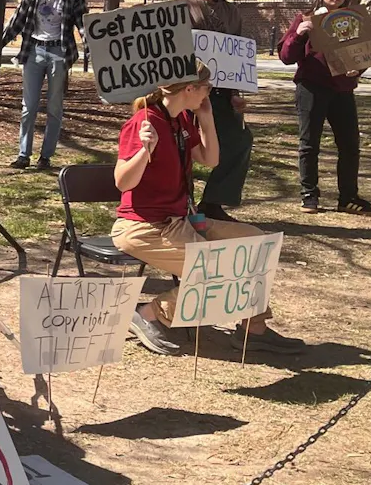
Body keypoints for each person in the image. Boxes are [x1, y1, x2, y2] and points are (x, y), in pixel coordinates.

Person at [110, 62, 305, 356]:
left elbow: (210, 160)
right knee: (220, 270)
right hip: (144, 227)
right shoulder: (144, 122)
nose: (210, 92)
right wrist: (144, 151)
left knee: (255, 243)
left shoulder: (181, 118)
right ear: (190, 89)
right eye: (208, 87)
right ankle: (149, 313)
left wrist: (207, 118)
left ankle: (254, 328)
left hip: (181, 220)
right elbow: (123, 182)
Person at [279, 0, 371, 215]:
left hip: (342, 89)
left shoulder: (352, 22)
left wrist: (358, 68)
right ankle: (309, 195)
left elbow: (364, 53)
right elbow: (286, 56)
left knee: (350, 144)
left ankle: (348, 198)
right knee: (309, 144)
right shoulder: (305, 19)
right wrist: (300, 34)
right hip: (311, 87)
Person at [1, 0, 87, 171]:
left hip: (59, 52)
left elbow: (83, 24)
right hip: (34, 50)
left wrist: (92, 45)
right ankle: (23, 155)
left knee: (54, 107)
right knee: (28, 107)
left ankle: (45, 157)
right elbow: (17, 21)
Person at [185, 0, 252, 221]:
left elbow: (235, 55)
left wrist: (235, 94)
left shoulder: (232, 13)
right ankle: (181, 204)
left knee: (239, 140)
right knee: (182, 145)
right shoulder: (181, 6)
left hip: (221, 92)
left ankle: (213, 202)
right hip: (186, 89)